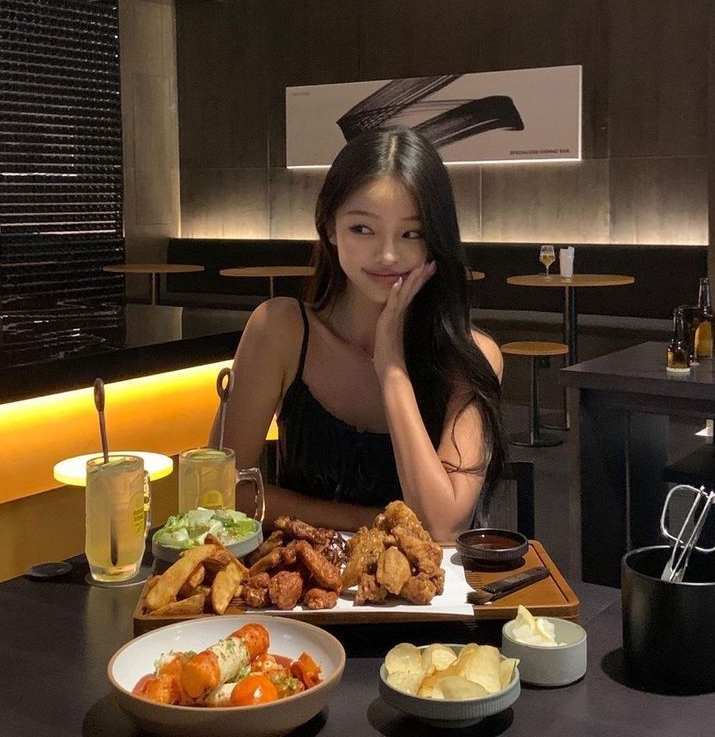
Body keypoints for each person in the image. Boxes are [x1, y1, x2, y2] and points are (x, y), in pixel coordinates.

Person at [211, 127, 504, 541]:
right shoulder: (280, 330)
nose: (387, 254)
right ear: (330, 228)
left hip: (429, 598)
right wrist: (372, 523)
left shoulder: (473, 355)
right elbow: (220, 492)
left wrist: (392, 368)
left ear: (436, 240)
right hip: (302, 590)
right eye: (362, 229)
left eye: (412, 233)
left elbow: (442, 525)